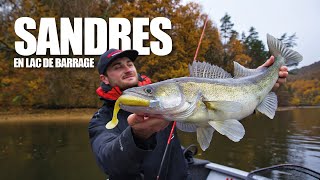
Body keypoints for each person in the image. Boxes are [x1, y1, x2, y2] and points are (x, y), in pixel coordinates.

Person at [88, 48, 289, 180]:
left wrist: (258, 80)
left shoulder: (166, 105)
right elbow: (109, 161)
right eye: (117, 66)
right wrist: (136, 136)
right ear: (104, 78)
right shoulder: (102, 120)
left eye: (129, 64)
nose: (127, 68)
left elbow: (229, 107)